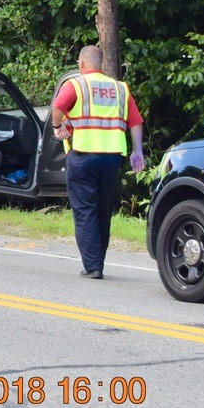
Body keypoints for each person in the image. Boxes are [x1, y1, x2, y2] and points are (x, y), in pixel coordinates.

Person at [48, 44, 144, 280]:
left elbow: (58, 107)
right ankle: (97, 260)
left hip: (83, 155)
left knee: (85, 210)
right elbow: (136, 121)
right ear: (100, 64)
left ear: (82, 64)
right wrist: (137, 151)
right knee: (102, 209)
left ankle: (93, 266)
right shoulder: (120, 88)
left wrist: (57, 127)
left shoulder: (77, 85)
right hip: (111, 158)